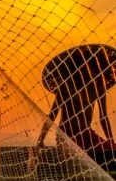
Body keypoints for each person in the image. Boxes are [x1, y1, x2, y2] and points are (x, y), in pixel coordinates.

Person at [36, 44, 116, 172]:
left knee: (109, 153)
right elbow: (52, 114)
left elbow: (103, 117)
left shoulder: (99, 87)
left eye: (90, 66)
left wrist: (111, 141)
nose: (87, 69)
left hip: (86, 134)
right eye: (83, 66)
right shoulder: (66, 87)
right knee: (78, 161)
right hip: (67, 135)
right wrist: (41, 139)